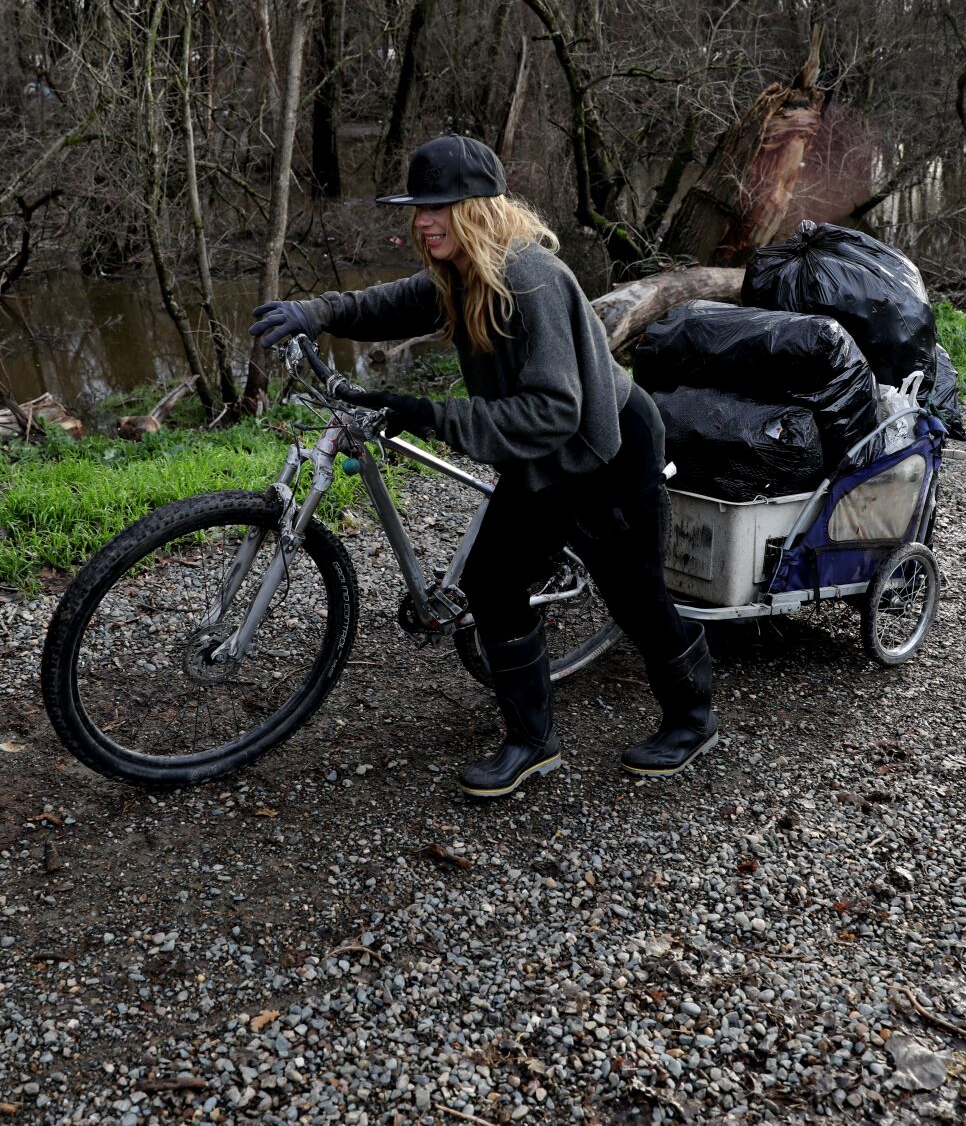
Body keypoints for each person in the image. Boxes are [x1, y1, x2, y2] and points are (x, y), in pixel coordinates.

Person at [249, 134, 719, 798]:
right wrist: (318, 310)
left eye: (438, 206)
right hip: (543, 452)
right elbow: (401, 301)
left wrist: (427, 412)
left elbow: (555, 411)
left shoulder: (529, 278)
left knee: (634, 592)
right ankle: (532, 743)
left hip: (604, 447)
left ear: (477, 208)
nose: (423, 219)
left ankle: (693, 719)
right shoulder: (463, 268)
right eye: (417, 207)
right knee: (493, 581)